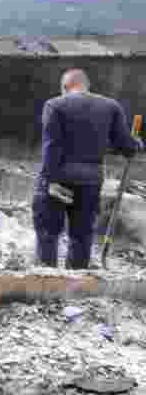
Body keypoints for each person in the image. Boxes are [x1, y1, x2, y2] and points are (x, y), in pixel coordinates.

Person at [34, 68, 142, 268]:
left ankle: (45, 276)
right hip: (90, 182)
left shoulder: (55, 105)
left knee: (48, 232)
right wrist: (136, 144)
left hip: (59, 180)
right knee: (82, 235)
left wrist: (49, 180)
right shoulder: (111, 106)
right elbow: (126, 147)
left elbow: (52, 146)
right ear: (86, 86)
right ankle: (75, 283)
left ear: (65, 87)